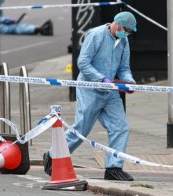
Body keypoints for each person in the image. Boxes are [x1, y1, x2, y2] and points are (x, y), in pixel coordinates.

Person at [44, 11, 138, 181]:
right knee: (81, 129)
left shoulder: (124, 41)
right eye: (126, 30)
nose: (127, 34)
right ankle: (52, 156)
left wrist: (129, 81)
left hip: (109, 91)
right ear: (117, 24)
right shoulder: (95, 35)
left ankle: (113, 168)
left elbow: (124, 67)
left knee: (120, 127)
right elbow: (83, 63)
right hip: (90, 89)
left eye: (129, 32)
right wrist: (101, 79)